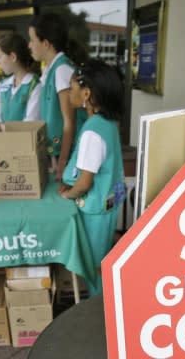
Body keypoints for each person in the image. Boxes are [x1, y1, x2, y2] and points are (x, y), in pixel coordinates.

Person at [59, 59, 126, 296]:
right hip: (108, 205)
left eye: (72, 87)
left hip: (95, 210)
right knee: (103, 256)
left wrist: (69, 195)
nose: (68, 93)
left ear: (86, 93)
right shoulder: (107, 123)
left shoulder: (92, 132)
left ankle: (102, 314)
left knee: (95, 265)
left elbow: (85, 182)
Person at [29, 13, 87, 181]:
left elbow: (69, 122)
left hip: (66, 157)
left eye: (32, 40)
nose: (29, 45)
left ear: (46, 43)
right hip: (57, 153)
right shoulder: (52, 69)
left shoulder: (61, 70)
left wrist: (62, 164)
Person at [0, 33, 40, 125]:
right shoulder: (2, 85)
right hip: (3, 138)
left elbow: (31, 119)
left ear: (13, 57)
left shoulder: (35, 85)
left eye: (0, 56)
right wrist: (1, 128)